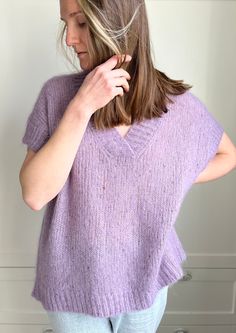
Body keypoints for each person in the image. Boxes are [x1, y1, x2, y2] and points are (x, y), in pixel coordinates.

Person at [19, 0, 236, 332]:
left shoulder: (174, 106)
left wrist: (166, 176)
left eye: (81, 23)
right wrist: (81, 108)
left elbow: (227, 155)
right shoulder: (57, 97)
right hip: (72, 285)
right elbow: (34, 194)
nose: (69, 40)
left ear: (115, 23)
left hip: (145, 277)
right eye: (66, 25)